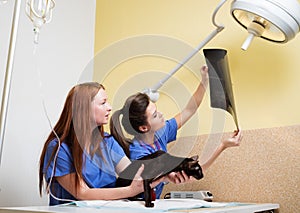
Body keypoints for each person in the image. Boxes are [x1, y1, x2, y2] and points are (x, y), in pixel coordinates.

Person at [38, 82, 190, 206]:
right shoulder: (59, 148)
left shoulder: (108, 142)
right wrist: (130, 191)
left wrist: (163, 175)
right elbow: (82, 193)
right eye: (103, 103)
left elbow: (132, 173)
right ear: (83, 108)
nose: (109, 107)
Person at [110, 65, 243, 199]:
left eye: (157, 110)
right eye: (155, 115)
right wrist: (222, 146)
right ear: (144, 128)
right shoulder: (139, 154)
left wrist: (204, 81)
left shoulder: (160, 133)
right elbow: (192, 173)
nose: (161, 114)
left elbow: (189, 110)